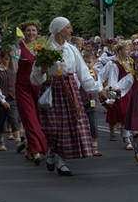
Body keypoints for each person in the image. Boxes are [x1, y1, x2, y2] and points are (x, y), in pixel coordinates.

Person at [31, 17, 107, 176]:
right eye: (68, 27)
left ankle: (62, 162)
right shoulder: (45, 49)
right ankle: (51, 151)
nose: (71, 30)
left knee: (68, 127)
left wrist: (97, 88)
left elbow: (83, 73)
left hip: (70, 88)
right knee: (53, 127)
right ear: (59, 30)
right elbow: (35, 78)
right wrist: (43, 70)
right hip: (53, 89)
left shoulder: (72, 49)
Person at [14, 20, 47, 164]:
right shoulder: (18, 47)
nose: (31, 33)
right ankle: (37, 152)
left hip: (38, 87)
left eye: (33, 30)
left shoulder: (41, 48)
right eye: (28, 30)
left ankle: (29, 149)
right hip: (22, 87)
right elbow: (13, 65)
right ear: (23, 32)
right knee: (29, 118)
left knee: (38, 119)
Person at [0, 48, 19, 152]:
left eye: (9, 58)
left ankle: (18, 142)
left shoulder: (13, 71)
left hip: (12, 98)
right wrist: (2, 100)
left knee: (14, 119)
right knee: (0, 121)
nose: (7, 60)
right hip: (1, 100)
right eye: (5, 58)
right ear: (1, 58)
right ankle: (1, 141)